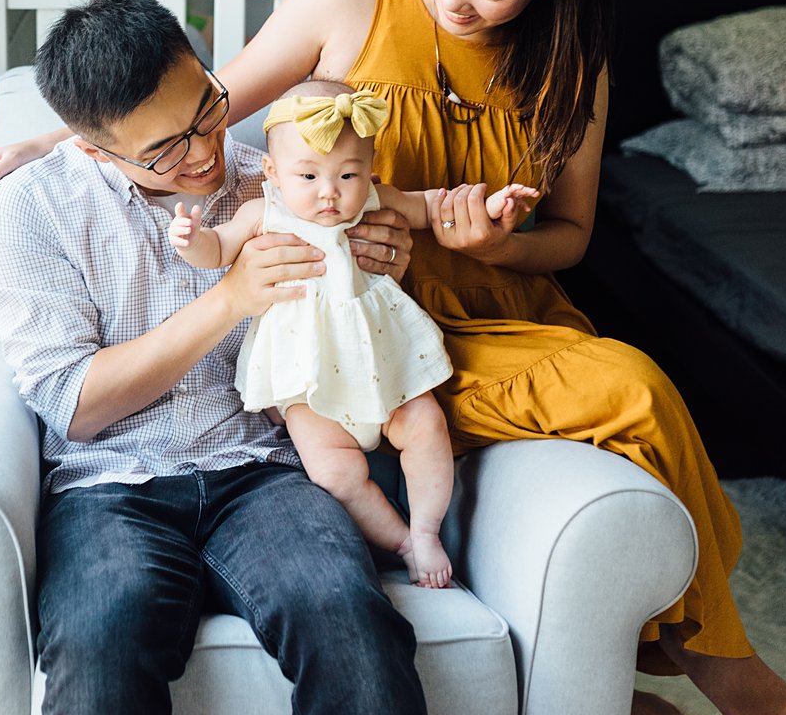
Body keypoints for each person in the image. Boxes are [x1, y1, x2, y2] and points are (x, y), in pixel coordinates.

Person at [0, 0, 786, 715]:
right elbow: (186, 114)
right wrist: (45, 145)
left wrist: (487, 242)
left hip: (390, 371)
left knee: (626, 401)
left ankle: (682, 648)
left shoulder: (549, 74)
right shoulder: (337, 17)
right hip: (291, 374)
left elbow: (566, 236)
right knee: (109, 641)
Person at [0, 0, 430, 715]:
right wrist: (229, 298)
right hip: (107, 486)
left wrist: (387, 256)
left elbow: (364, 295)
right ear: (90, 147)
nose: (206, 150)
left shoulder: (281, 183)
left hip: (264, 472)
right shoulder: (31, 210)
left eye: (208, 109)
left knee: (351, 619)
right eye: (165, 149)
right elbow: (74, 404)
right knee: (99, 650)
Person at [168, 78, 538, 589]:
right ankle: (400, 540)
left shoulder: (372, 200)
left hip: (383, 358)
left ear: (370, 169)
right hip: (308, 375)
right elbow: (216, 251)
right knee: (333, 474)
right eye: (308, 175)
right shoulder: (263, 212)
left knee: (426, 428)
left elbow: (433, 208)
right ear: (273, 173)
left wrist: (491, 208)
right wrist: (191, 241)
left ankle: (428, 531)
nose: (329, 192)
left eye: (348, 173)